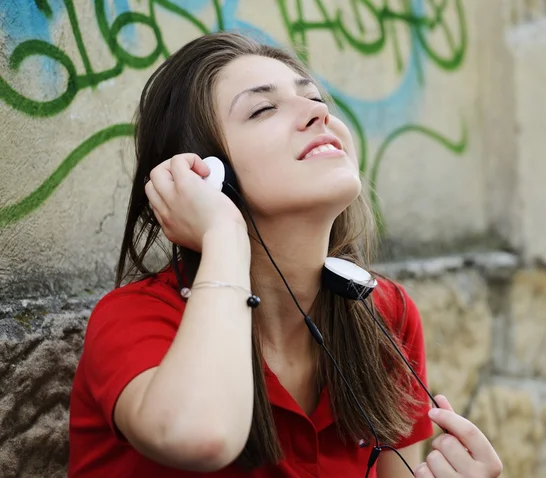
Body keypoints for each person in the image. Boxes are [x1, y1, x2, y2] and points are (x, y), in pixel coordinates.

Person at [68, 32, 503, 478]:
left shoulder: (385, 313)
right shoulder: (133, 319)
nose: (319, 112)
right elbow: (202, 436)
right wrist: (223, 232)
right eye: (263, 108)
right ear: (210, 175)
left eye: (313, 97)